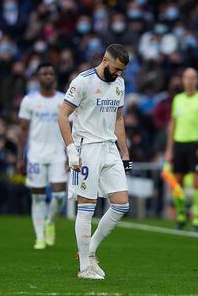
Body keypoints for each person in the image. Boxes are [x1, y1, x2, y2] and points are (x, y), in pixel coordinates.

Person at [58, 44, 132, 280]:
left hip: (110, 147)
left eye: (122, 70)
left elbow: (118, 118)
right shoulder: (83, 82)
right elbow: (62, 115)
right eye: (117, 68)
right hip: (86, 148)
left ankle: (89, 252)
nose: (119, 74)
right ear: (105, 60)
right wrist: (71, 151)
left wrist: (125, 152)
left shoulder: (119, 83)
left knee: (121, 204)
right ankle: (84, 269)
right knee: (86, 207)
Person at [16, 63, 67, 250]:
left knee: (59, 194)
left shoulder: (63, 100)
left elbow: (71, 128)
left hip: (57, 153)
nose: (47, 76)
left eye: (50, 73)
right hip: (36, 154)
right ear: (37, 77)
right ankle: (39, 237)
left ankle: (50, 222)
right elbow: (22, 131)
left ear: (54, 77)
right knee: (37, 197)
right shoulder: (29, 100)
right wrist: (20, 157)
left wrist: (72, 152)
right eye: (44, 73)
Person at [164, 68, 198, 231]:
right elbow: (173, 124)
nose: (190, 80)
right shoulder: (178, 99)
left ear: (197, 80)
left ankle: (197, 218)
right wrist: (169, 149)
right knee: (177, 182)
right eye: (187, 77)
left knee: (196, 181)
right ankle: (180, 215)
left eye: (193, 78)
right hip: (179, 143)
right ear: (183, 80)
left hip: (195, 144)